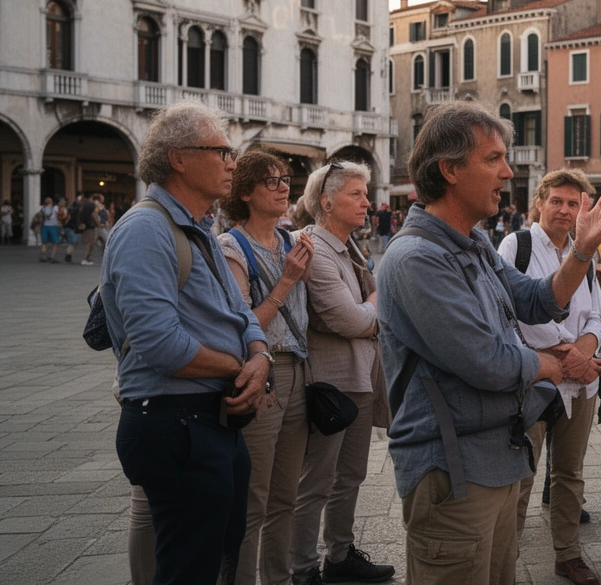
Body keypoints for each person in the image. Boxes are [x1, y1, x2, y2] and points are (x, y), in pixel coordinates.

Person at [376, 102, 601, 585]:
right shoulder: (416, 258)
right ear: (449, 170)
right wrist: (557, 362)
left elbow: (534, 300)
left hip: (499, 457)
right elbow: (487, 361)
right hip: (454, 473)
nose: (508, 171)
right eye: (493, 160)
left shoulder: (475, 242)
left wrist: (583, 250)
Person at [102, 100, 270, 584]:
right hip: (175, 424)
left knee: (217, 550)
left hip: (209, 421)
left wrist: (258, 356)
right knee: (187, 568)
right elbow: (159, 343)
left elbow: (240, 310)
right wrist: (239, 368)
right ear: (178, 158)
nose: (232, 163)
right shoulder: (145, 228)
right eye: (221, 151)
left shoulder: (199, 227)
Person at [498, 169, 601, 585]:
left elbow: (597, 314)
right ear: (540, 202)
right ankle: (504, 560)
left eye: (574, 203)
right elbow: (510, 309)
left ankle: (568, 554)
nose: (565, 210)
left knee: (569, 472)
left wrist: (584, 352)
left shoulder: (588, 252)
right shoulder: (518, 245)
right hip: (535, 379)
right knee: (522, 477)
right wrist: (568, 352)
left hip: (581, 382)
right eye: (557, 201)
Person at [288, 161, 395, 584]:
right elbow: (350, 320)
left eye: (365, 194)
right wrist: (375, 303)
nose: (367, 203)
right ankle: (302, 567)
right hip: (330, 382)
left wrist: (370, 307)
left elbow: (363, 313)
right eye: (356, 194)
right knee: (317, 480)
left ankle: (340, 554)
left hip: (361, 375)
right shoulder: (313, 248)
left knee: (351, 474)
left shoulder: (348, 247)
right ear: (326, 202)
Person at [217, 149, 316, 585]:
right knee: (252, 498)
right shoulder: (231, 247)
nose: (283, 186)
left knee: (286, 494)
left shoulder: (294, 241)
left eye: (284, 179)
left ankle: (277, 578)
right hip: (263, 375)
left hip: (299, 373)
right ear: (245, 193)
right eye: (271, 181)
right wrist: (287, 280)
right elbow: (244, 325)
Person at [39, 197, 60, 261]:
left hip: (45, 226)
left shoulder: (43, 208)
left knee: (44, 242)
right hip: (53, 226)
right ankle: (52, 257)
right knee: (55, 242)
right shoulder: (54, 208)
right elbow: (56, 215)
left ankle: (43, 257)